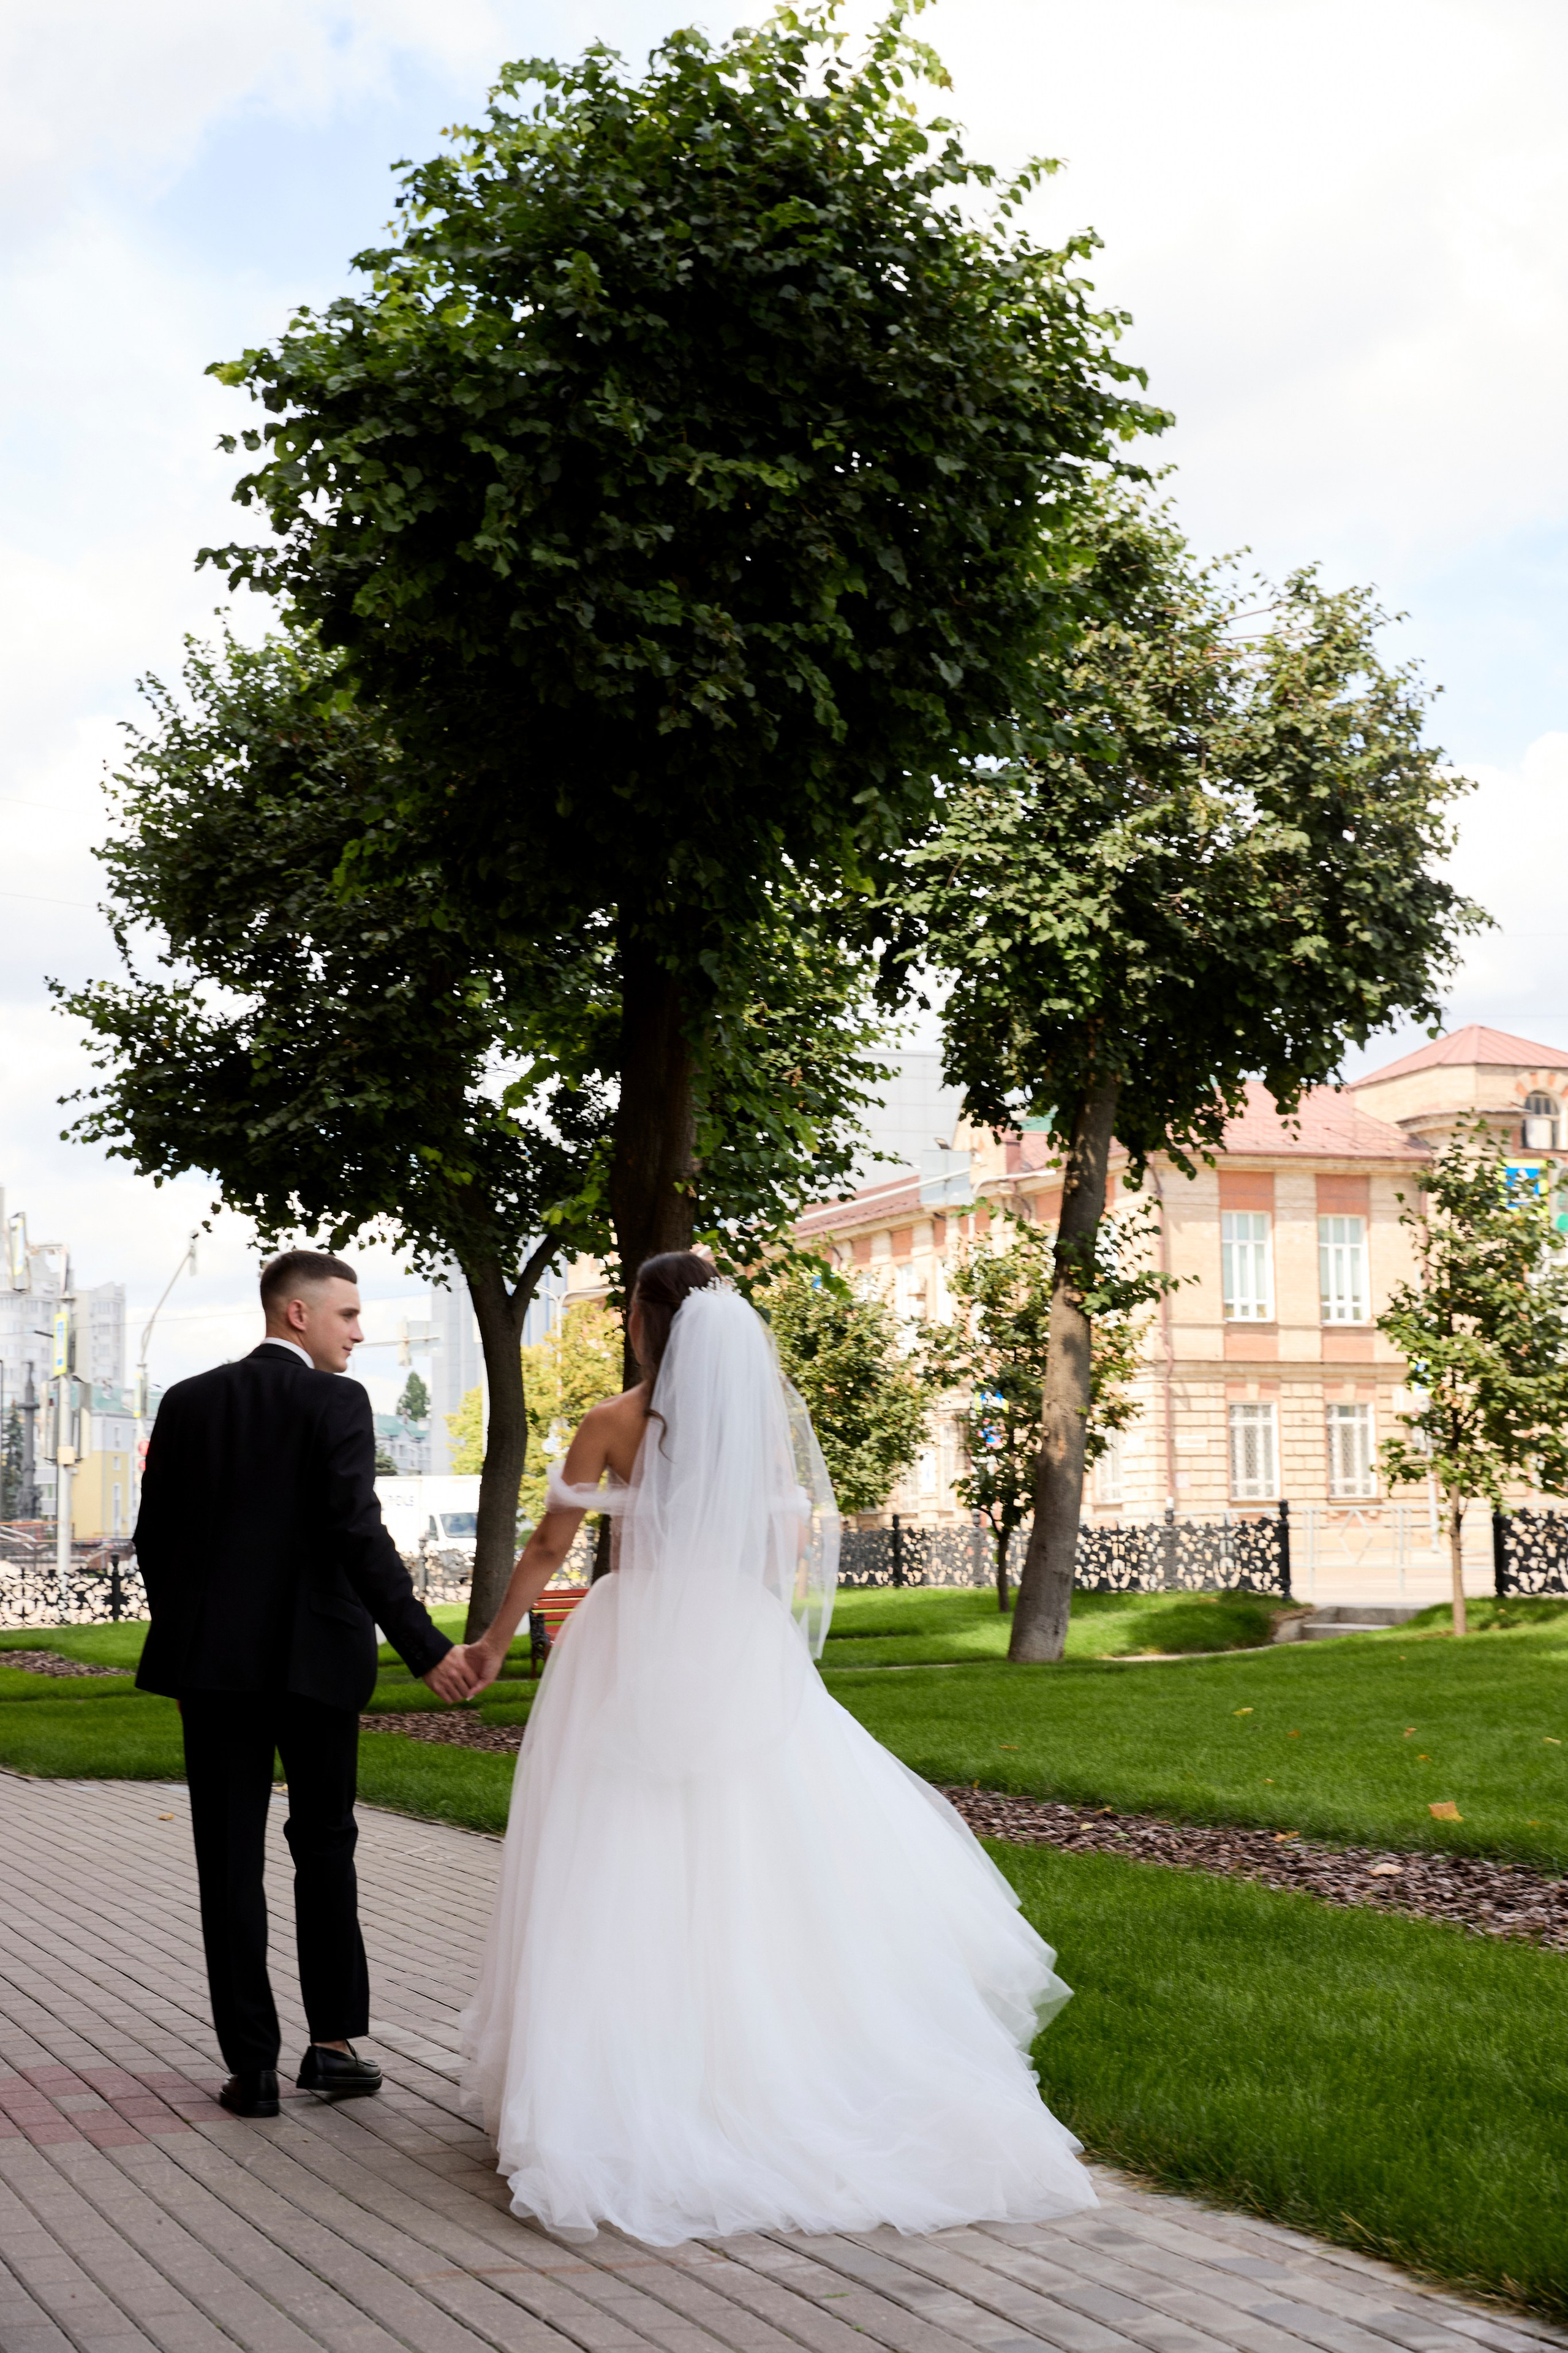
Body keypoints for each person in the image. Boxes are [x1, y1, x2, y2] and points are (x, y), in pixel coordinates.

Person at [455, 1251, 1095, 2245]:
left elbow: (550, 1547)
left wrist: (494, 1639)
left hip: (637, 1642)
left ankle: (628, 2077)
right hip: (740, 1638)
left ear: (646, 1323)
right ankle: (782, 2063)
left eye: (630, 1308)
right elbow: (782, 1555)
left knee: (621, 1857)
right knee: (760, 1849)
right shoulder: (757, 1433)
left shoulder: (613, 1422)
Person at [135, 1248, 475, 2118]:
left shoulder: (187, 1402)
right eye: (349, 1315)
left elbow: (155, 1539)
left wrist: (187, 1637)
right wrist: (426, 1646)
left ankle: (250, 2067)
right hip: (317, 1664)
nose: (360, 1333)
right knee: (324, 1845)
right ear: (298, 1314)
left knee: (228, 1862)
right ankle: (332, 2048)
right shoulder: (336, 1401)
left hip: (213, 1671)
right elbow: (357, 1532)